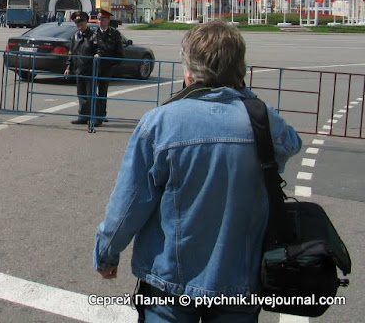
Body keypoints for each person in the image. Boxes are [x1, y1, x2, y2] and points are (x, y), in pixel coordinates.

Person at [93, 20, 302, 323]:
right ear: (239, 68)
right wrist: (244, 95)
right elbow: (291, 144)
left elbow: (128, 203)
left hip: (170, 280)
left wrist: (106, 253)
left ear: (189, 71)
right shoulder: (260, 118)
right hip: (240, 277)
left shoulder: (160, 123)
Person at [63, 11, 100, 125]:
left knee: (91, 95)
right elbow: (71, 53)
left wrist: (97, 54)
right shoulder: (75, 36)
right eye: (77, 22)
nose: (79, 25)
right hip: (79, 69)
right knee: (81, 94)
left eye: (81, 22)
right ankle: (83, 116)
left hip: (90, 70)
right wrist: (69, 67)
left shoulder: (93, 35)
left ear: (86, 22)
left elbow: (99, 48)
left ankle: (95, 117)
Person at [92, 9, 123, 121]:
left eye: (103, 19)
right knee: (92, 92)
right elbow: (90, 48)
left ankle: (101, 115)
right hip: (94, 67)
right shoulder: (94, 33)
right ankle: (94, 113)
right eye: (99, 19)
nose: (100, 21)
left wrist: (112, 64)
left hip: (106, 66)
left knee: (102, 92)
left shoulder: (114, 34)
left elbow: (119, 52)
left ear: (108, 20)